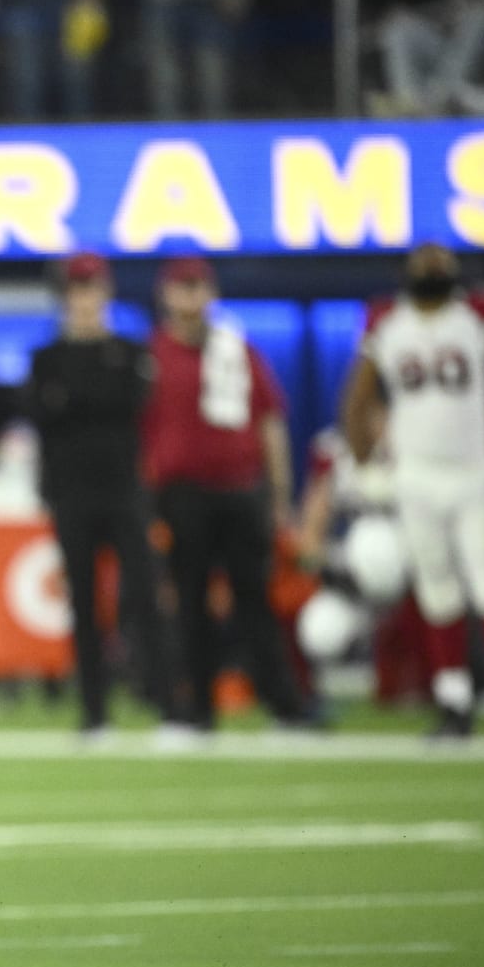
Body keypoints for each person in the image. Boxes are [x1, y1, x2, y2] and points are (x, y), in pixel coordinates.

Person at [338, 242, 484, 738]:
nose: (432, 271)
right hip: (416, 474)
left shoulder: (481, 317)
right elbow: (356, 399)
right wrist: (366, 467)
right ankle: (453, 701)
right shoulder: (388, 324)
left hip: (475, 471)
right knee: (437, 589)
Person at [142, 255, 307, 731]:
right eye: (182, 287)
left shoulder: (237, 350)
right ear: (166, 295)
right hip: (183, 494)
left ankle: (284, 706)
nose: (190, 296)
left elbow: (270, 422)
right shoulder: (152, 356)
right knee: (190, 603)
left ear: (211, 293)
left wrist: (278, 494)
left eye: (198, 286)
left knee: (254, 599)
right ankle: (197, 711)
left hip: (240, 490)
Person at [21, 252, 176, 734]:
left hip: (124, 490)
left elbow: (126, 406)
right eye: (76, 291)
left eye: (91, 290)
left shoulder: (129, 353)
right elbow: (45, 417)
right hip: (72, 493)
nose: (84, 300)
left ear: (105, 294)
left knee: (145, 598)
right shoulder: (45, 358)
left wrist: (72, 402)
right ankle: (94, 710)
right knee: (84, 604)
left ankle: (167, 702)